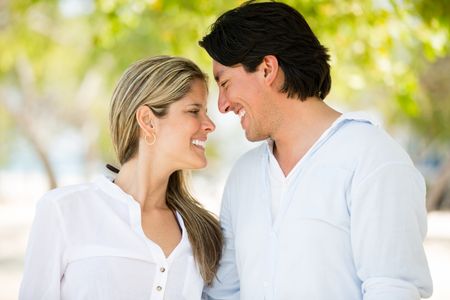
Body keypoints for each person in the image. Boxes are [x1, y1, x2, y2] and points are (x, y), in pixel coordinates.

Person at [199, 1, 433, 299]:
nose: (222, 105)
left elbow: (394, 289)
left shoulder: (372, 159)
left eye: (226, 83)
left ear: (267, 69)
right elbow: (225, 293)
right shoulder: (243, 175)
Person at [19, 55, 223, 300]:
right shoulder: (63, 211)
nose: (210, 124)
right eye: (194, 111)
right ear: (148, 121)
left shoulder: (203, 233)